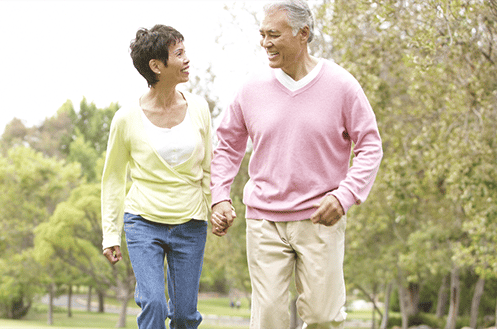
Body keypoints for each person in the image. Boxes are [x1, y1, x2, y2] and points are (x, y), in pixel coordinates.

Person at [209, 1, 383, 328]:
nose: (265, 43)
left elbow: (371, 145)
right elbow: (228, 144)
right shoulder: (251, 88)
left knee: (323, 318)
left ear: (303, 34)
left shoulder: (342, 85)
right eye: (262, 35)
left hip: (320, 217)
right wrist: (219, 196)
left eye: (274, 34)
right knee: (269, 319)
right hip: (264, 219)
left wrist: (345, 195)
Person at [101, 24, 212, 329]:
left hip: (190, 223)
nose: (187, 59)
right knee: (153, 303)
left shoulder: (199, 108)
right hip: (143, 222)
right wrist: (110, 233)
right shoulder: (126, 118)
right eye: (179, 53)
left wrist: (216, 206)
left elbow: (208, 167)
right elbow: (113, 178)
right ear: (156, 66)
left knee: (184, 315)